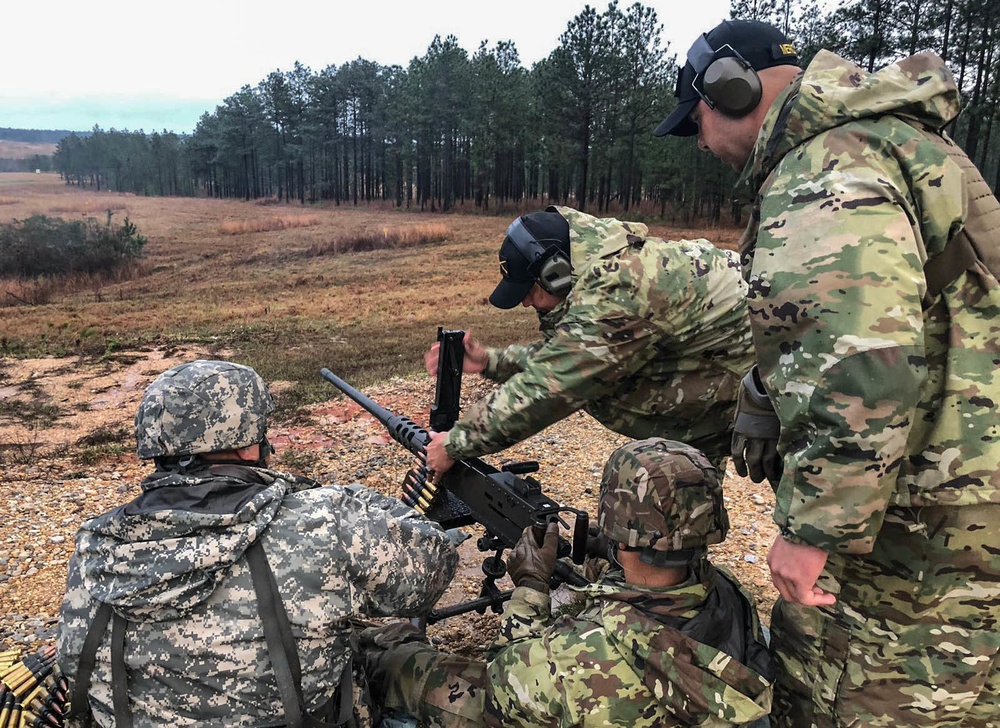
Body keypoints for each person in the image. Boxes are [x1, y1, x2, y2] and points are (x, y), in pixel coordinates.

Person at [655, 18, 1000, 726]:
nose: (701, 143)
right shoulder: (892, 140)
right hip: (967, 479)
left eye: (696, 123)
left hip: (927, 510)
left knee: (852, 690)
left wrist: (813, 529)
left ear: (730, 88)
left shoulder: (822, 170)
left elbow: (863, 360)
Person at [55, 359, 459, 727]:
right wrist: (354, 502)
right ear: (246, 443)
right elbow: (430, 574)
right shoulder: (321, 521)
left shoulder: (95, 546)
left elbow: (74, 665)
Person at [364, 437, 775, 727]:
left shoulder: (580, 658)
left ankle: (382, 657)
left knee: (403, 661)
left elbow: (504, 685)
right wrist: (602, 548)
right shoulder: (726, 591)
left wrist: (529, 585)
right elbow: (644, 578)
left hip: (533, 694)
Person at [424, 205, 754, 477]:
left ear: (556, 272)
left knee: (800, 536)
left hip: (786, 389)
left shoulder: (623, 285)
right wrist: (490, 361)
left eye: (529, 291)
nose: (525, 303)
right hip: (744, 378)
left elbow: (552, 385)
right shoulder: (609, 272)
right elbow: (574, 352)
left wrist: (455, 443)